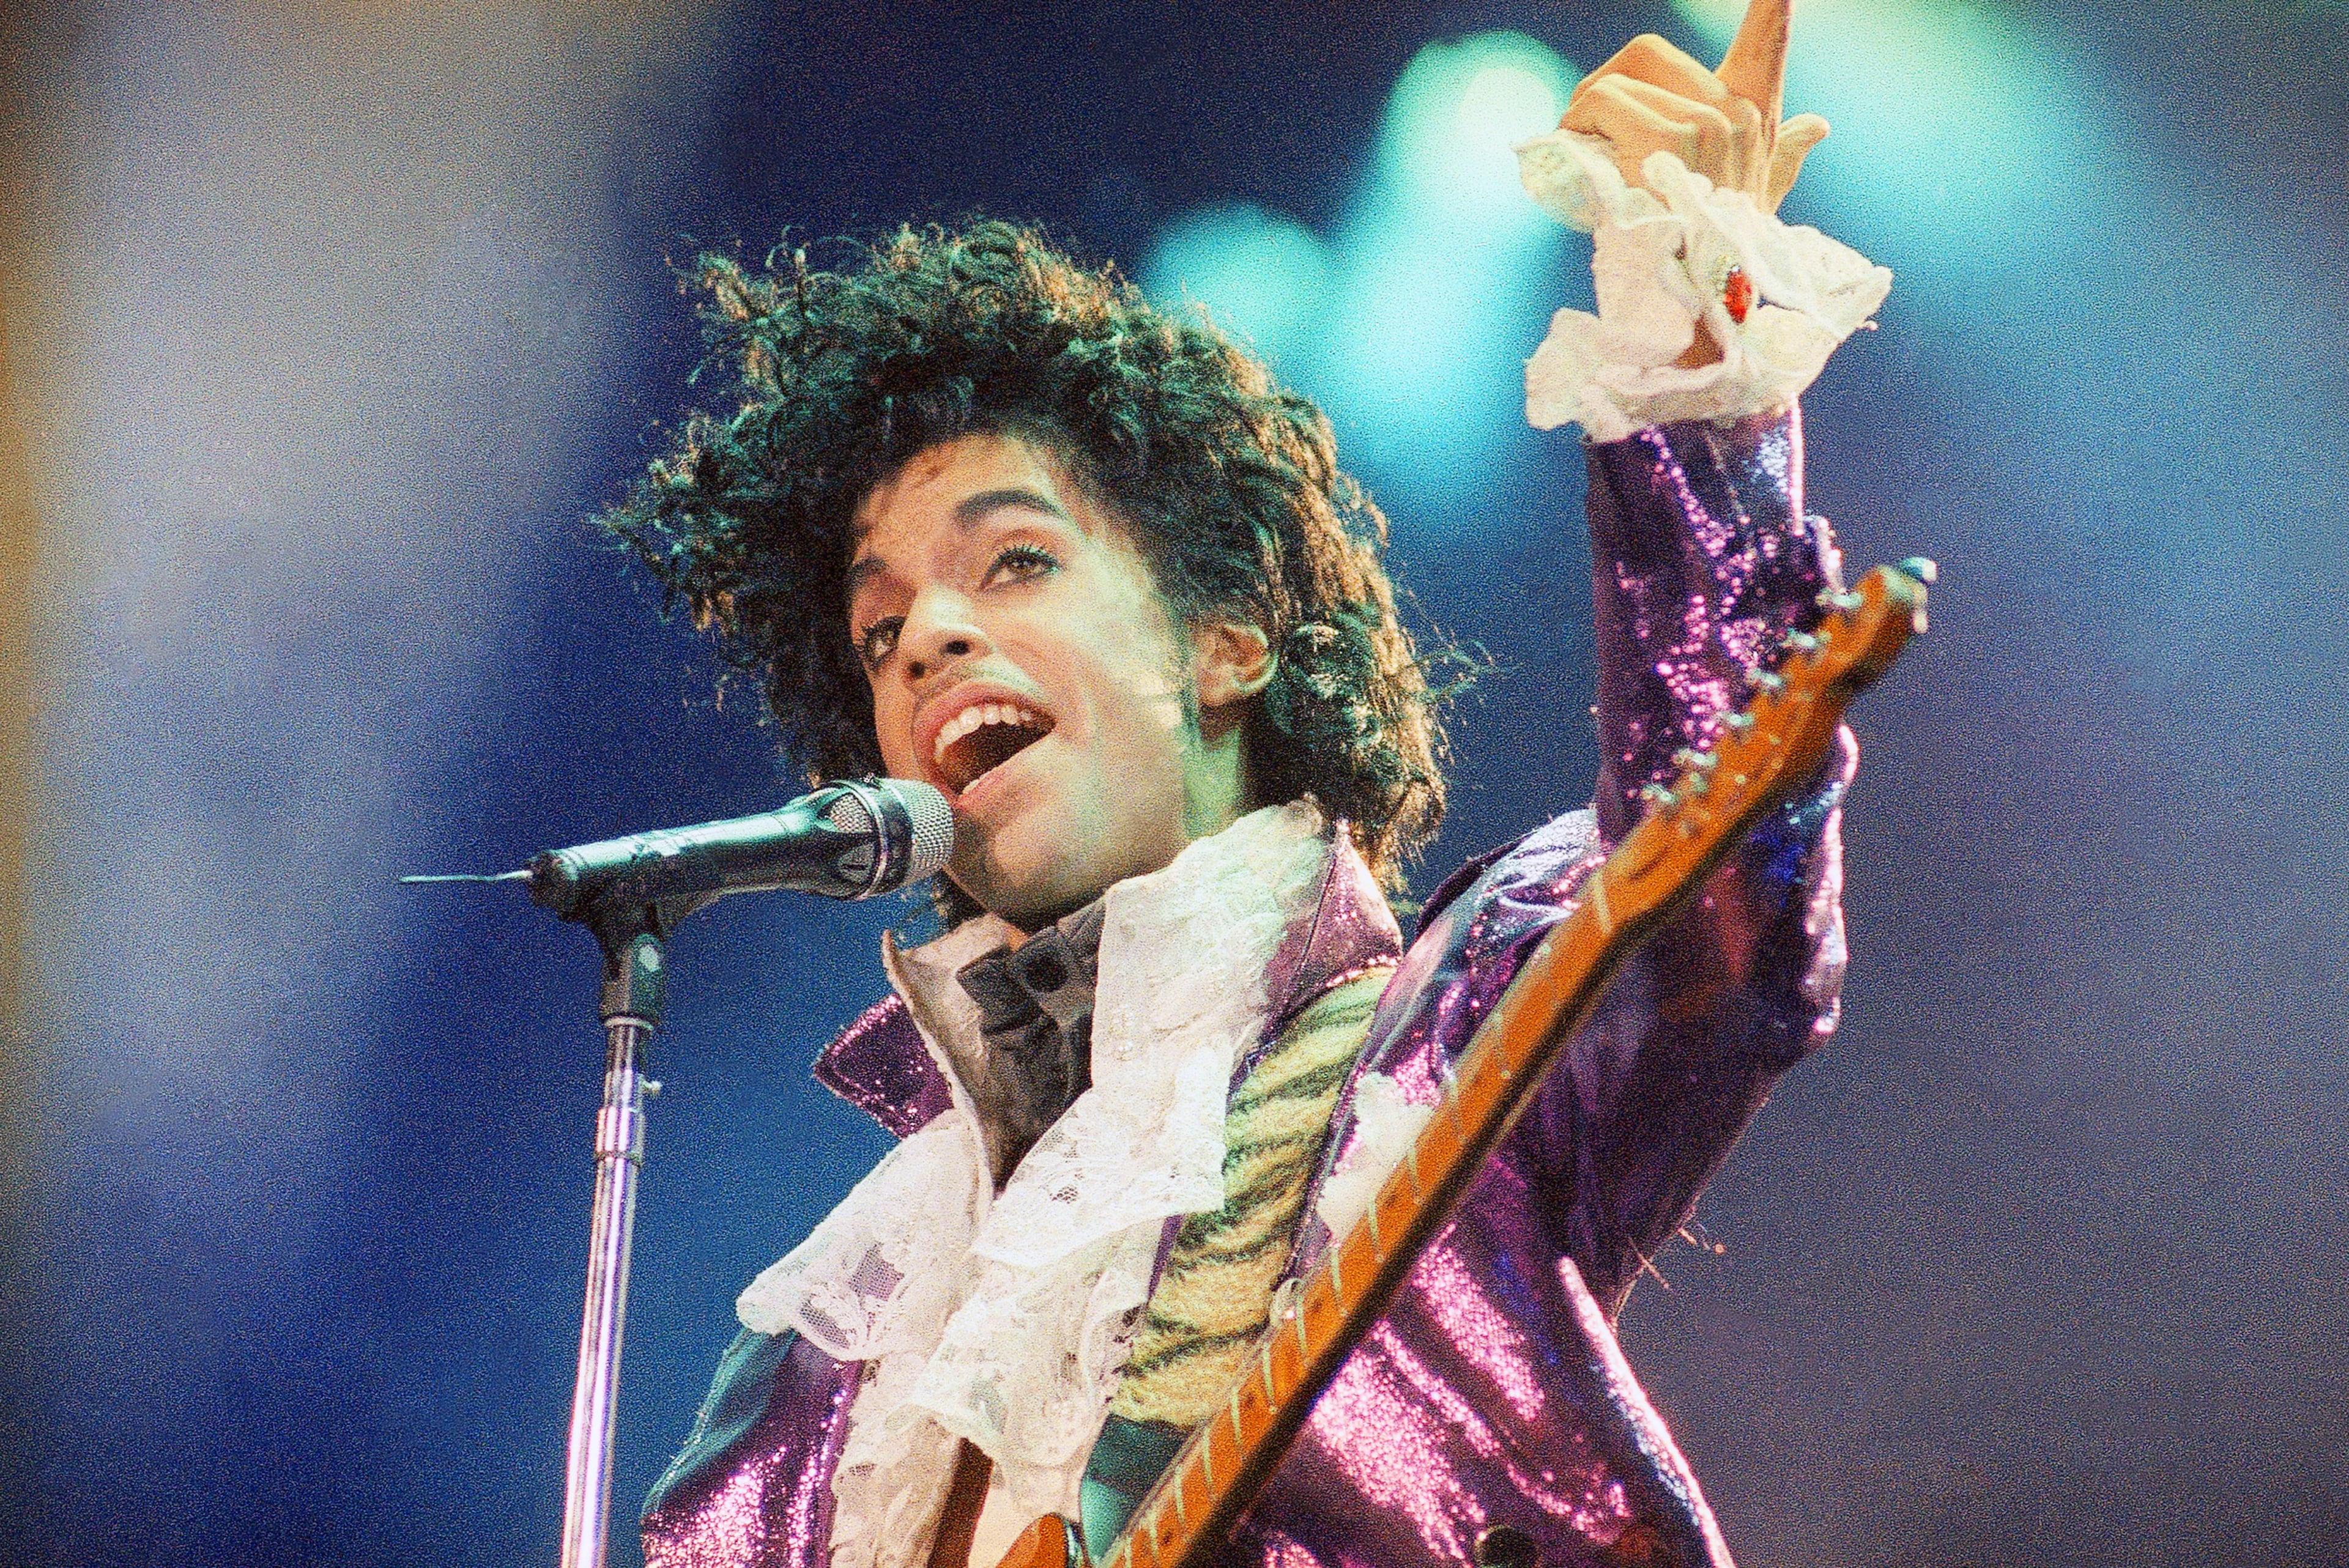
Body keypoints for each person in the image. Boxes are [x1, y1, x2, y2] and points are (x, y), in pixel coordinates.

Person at [603, 3, 1891, 1564]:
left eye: (1014, 561)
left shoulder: (1431, 1054)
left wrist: (1698, 343)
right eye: (880, 632)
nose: (930, 635)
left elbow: (1716, 873)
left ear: (1229, 639)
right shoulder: (833, 1350)